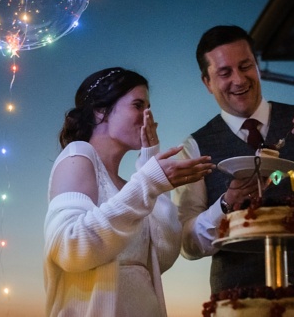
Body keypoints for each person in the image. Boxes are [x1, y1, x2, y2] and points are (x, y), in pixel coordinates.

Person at [174, 25, 294, 294]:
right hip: (239, 302)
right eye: (225, 72)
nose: (239, 80)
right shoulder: (194, 147)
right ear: (207, 82)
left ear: (257, 66)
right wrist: (224, 205)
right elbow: (186, 244)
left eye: (246, 66)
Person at [44, 67, 215, 316]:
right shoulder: (78, 156)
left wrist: (150, 163)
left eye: (149, 107)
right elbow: (70, 248)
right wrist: (149, 182)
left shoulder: (129, 186)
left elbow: (163, 255)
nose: (148, 116)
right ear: (100, 110)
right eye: (138, 105)